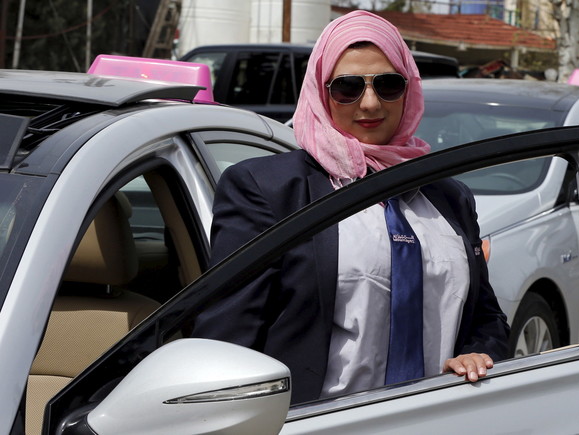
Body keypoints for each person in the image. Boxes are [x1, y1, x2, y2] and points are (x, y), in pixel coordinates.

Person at [192, 11, 510, 405]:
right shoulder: (267, 190)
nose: (371, 103)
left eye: (389, 85)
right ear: (319, 92)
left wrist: (479, 354)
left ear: (409, 89)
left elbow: (486, 318)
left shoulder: (449, 196)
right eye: (347, 87)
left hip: (435, 419)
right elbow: (229, 337)